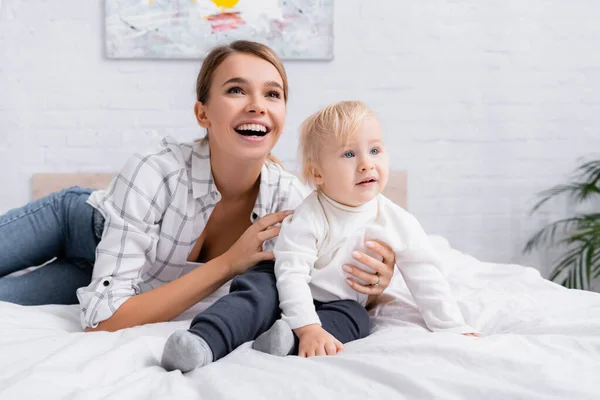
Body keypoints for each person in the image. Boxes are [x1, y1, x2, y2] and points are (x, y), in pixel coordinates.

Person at [0, 41, 395, 361]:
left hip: (110, 278)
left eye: (272, 94)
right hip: (79, 226)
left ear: (282, 116)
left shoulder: (290, 200)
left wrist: (374, 285)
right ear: (202, 113)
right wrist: (228, 264)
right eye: (236, 90)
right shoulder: (156, 170)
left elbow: (315, 285)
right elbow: (102, 324)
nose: (257, 104)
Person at [251, 101, 482, 359]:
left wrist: (450, 324)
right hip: (292, 289)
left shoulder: (396, 220)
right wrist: (307, 326)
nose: (366, 164)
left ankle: (286, 340)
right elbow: (291, 273)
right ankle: (226, 335)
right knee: (258, 289)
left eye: (374, 150)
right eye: (349, 154)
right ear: (317, 173)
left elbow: (425, 274)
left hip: (341, 304)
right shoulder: (309, 215)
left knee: (357, 319)